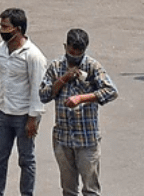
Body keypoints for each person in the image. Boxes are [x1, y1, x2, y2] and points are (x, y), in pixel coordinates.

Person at [39, 28, 118, 196]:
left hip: (87, 139)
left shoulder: (92, 67)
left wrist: (82, 98)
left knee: (90, 190)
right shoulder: (56, 67)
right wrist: (64, 79)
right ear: (65, 47)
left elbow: (111, 91)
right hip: (63, 138)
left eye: (79, 52)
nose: (74, 55)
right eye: (71, 51)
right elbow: (43, 95)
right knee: (68, 190)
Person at [0, 8, 48, 196]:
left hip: (24, 116)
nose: (1, 30)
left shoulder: (33, 56)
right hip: (3, 113)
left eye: (5, 26)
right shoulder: (1, 49)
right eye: (1, 26)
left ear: (17, 29)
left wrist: (33, 119)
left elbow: (38, 89)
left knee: (26, 160)